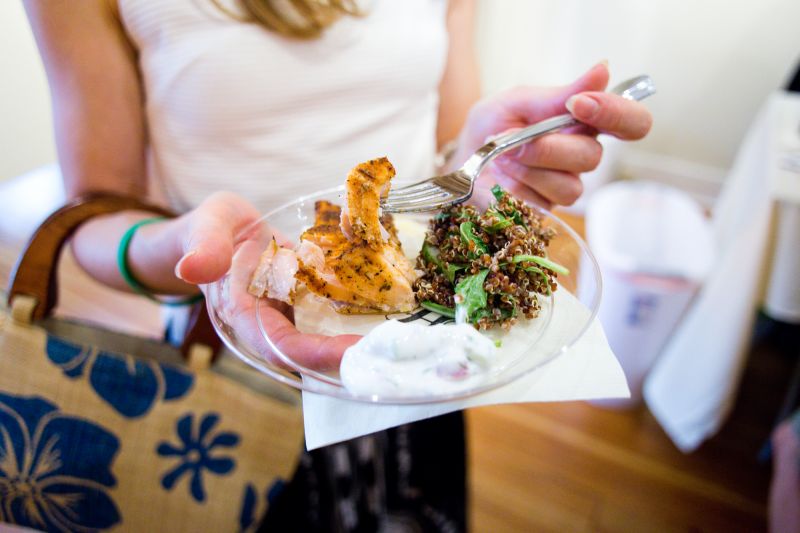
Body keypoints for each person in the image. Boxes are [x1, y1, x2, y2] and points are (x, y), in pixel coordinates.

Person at [24, 0, 652, 530]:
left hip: (414, 334)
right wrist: (191, 245)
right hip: (235, 349)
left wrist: (481, 159)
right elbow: (95, 219)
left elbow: (444, 151)